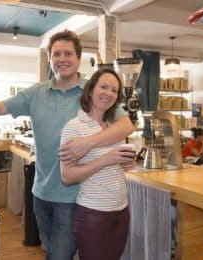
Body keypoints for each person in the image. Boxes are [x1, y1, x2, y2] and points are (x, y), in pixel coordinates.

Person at [0, 30, 134, 260]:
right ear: (50, 59)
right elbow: (1, 107)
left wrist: (86, 144)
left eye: (68, 53)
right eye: (56, 54)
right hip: (41, 192)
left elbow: (126, 125)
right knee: (50, 251)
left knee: (59, 255)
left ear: (78, 58)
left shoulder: (93, 91)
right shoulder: (36, 93)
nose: (62, 59)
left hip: (73, 195)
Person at [60, 68, 134, 260]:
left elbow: (120, 165)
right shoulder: (74, 127)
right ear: (91, 90)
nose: (109, 93)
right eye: (104, 87)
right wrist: (106, 160)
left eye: (114, 90)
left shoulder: (114, 127)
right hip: (93, 214)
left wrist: (126, 163)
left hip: (121, 210)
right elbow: (67, 177)